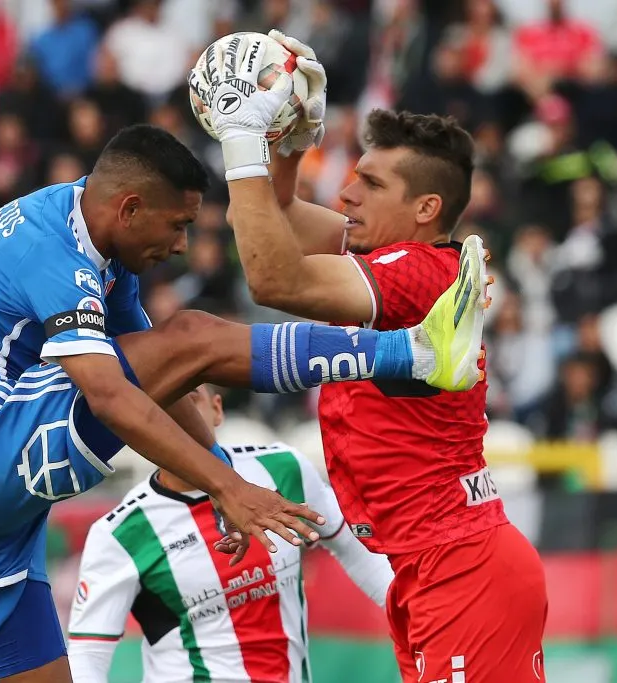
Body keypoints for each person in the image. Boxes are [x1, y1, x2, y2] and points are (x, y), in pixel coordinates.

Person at [0, 123, 489, 682]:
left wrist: (217, 473)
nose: (185, 244)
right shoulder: (51, 247)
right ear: (130, 208)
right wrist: (228, 486)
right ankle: (414, 355)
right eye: (180, 224)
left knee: (181, 347)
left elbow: (163, 382)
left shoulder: (104, 249)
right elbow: (113, 394)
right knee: (192, 332)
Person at [193, 32, 546, 683]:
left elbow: (273, 278)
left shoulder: (413, 271)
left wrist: (242, 136)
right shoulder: (398, 259)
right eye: (352, 177)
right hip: (434, 562)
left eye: (370, 183)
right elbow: (275, 221)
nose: (347, 194)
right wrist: (295, 143)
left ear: (425, 208)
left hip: (459, 566)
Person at [67, 385, 393, 683]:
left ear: (217, 409)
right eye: (160, 408)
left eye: (189, 400)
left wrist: (415, 620)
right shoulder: (120, 533)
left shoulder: (283, 469)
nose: (175, 418)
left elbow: (353, 545)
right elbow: (87, 655)